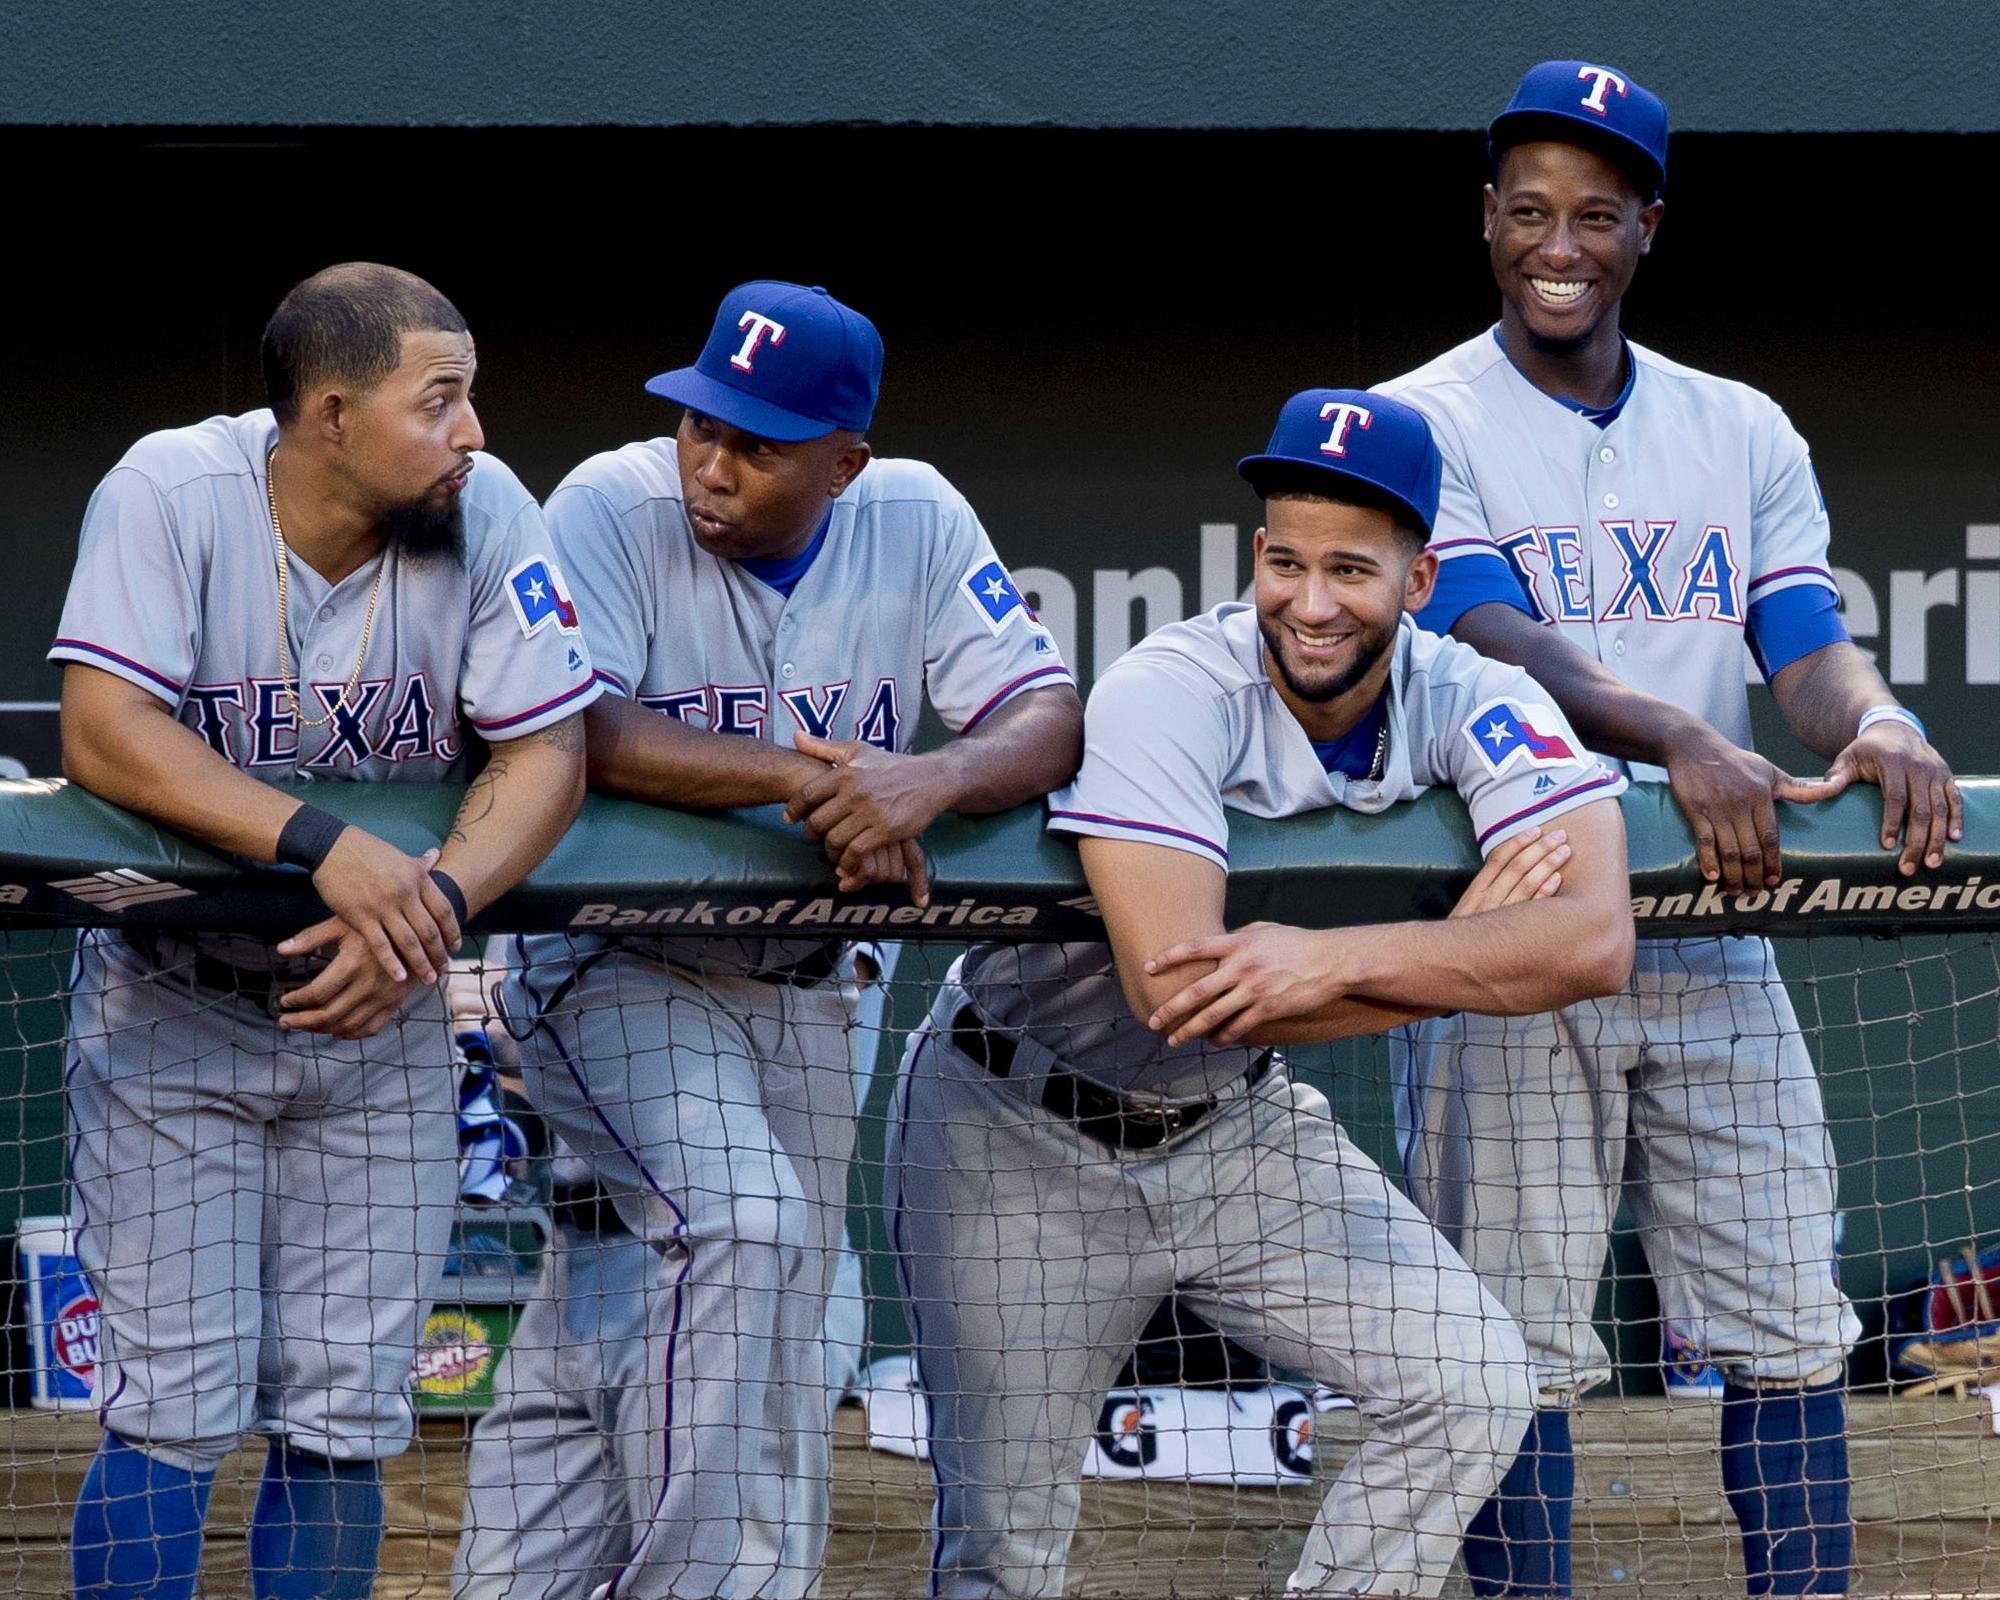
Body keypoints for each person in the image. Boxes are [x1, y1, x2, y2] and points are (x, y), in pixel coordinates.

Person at [887, 386, 1637, 1598]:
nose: (1309, 599)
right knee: (1001, 1546)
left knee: (1472, 1382)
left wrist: (1327, 959)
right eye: (1284, 561)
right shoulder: (1167, 686)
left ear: (1417, 577)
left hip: (1236, 1130)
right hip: (1016, 1128)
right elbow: (1179, 988)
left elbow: (1592, 940)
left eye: (1350, 567)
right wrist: (1460, 954)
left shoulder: (1475, 695)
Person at [1375, 60, 1964, 1597]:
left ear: (1647, 224)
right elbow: (1501, 636)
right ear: (1485, 220)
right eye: (1523, 212)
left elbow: (1802, 639)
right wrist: (1680, 735)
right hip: (1504, 927)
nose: (1552, 245)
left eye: (1590, 214)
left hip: (1710, 936)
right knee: (1511, 1337)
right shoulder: (1417, 419)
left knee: (1785, 1316)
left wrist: (1881, 723)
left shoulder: (1740, 425)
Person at [501, 280, 1084, 1599]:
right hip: (620, 964)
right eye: (705, 425)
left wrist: (926, 784)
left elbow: (1045, 715)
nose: (714, 463)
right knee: (745, 1224)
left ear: (844, 462)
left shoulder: (916, 514)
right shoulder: (608, 500)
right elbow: (580, 729)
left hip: (820, 989)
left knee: (786, 1336)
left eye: (757, 446)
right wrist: (818, 784)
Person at [51, 262, 599, 1600]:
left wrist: (431, 913)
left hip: (383, 1014)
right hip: (177, 999)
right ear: (333, 414)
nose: (473, 432)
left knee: (351, 1409)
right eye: (442, 401)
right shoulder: (173, 492)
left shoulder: (492, 508)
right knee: (173, 1400)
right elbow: (103, 734)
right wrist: (329, 846)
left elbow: (549, 753)